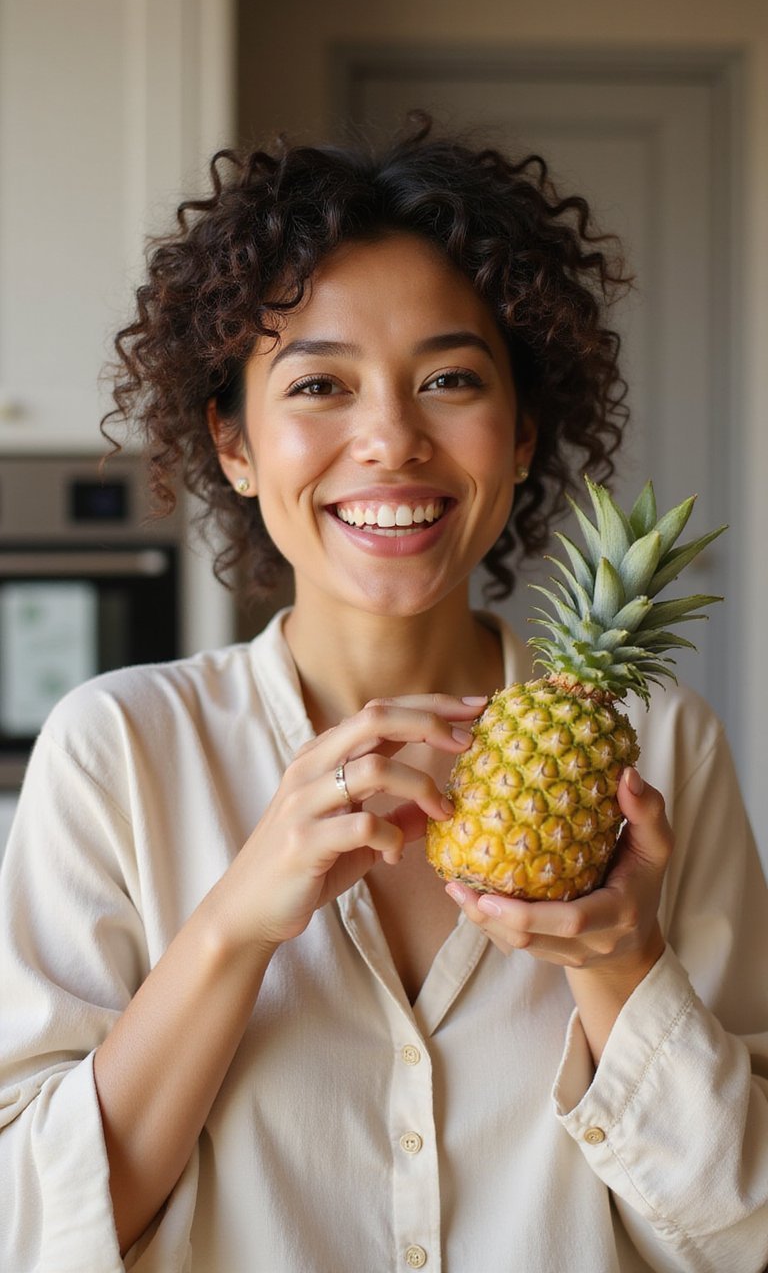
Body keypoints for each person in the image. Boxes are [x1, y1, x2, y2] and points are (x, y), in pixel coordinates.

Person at [1, 115, 767, 1273]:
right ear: (235, 442)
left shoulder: (662, 749)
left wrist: (622, 966)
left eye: (451, 379)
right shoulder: (118, 750)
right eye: (319, 383)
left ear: (520, 437)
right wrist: (231, 925)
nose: (391, 440)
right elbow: (26, 1232)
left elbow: (744, 1231)